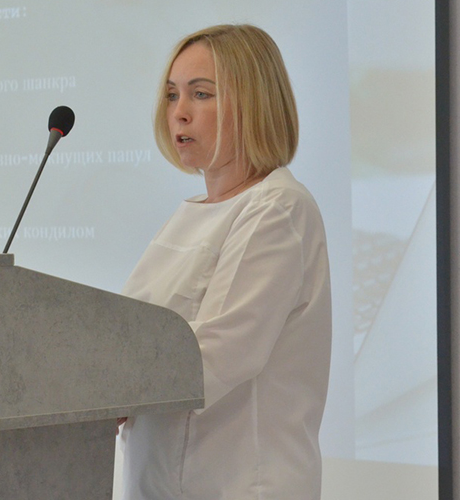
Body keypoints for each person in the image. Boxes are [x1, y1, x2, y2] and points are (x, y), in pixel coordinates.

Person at [116, 25, 332, 499]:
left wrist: (102, 389)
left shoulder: (279, 209)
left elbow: (217, 350)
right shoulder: (189, 215)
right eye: (172, 95)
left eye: (201, 94)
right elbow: (130, 333)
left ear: (254, 104)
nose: (180, 112)